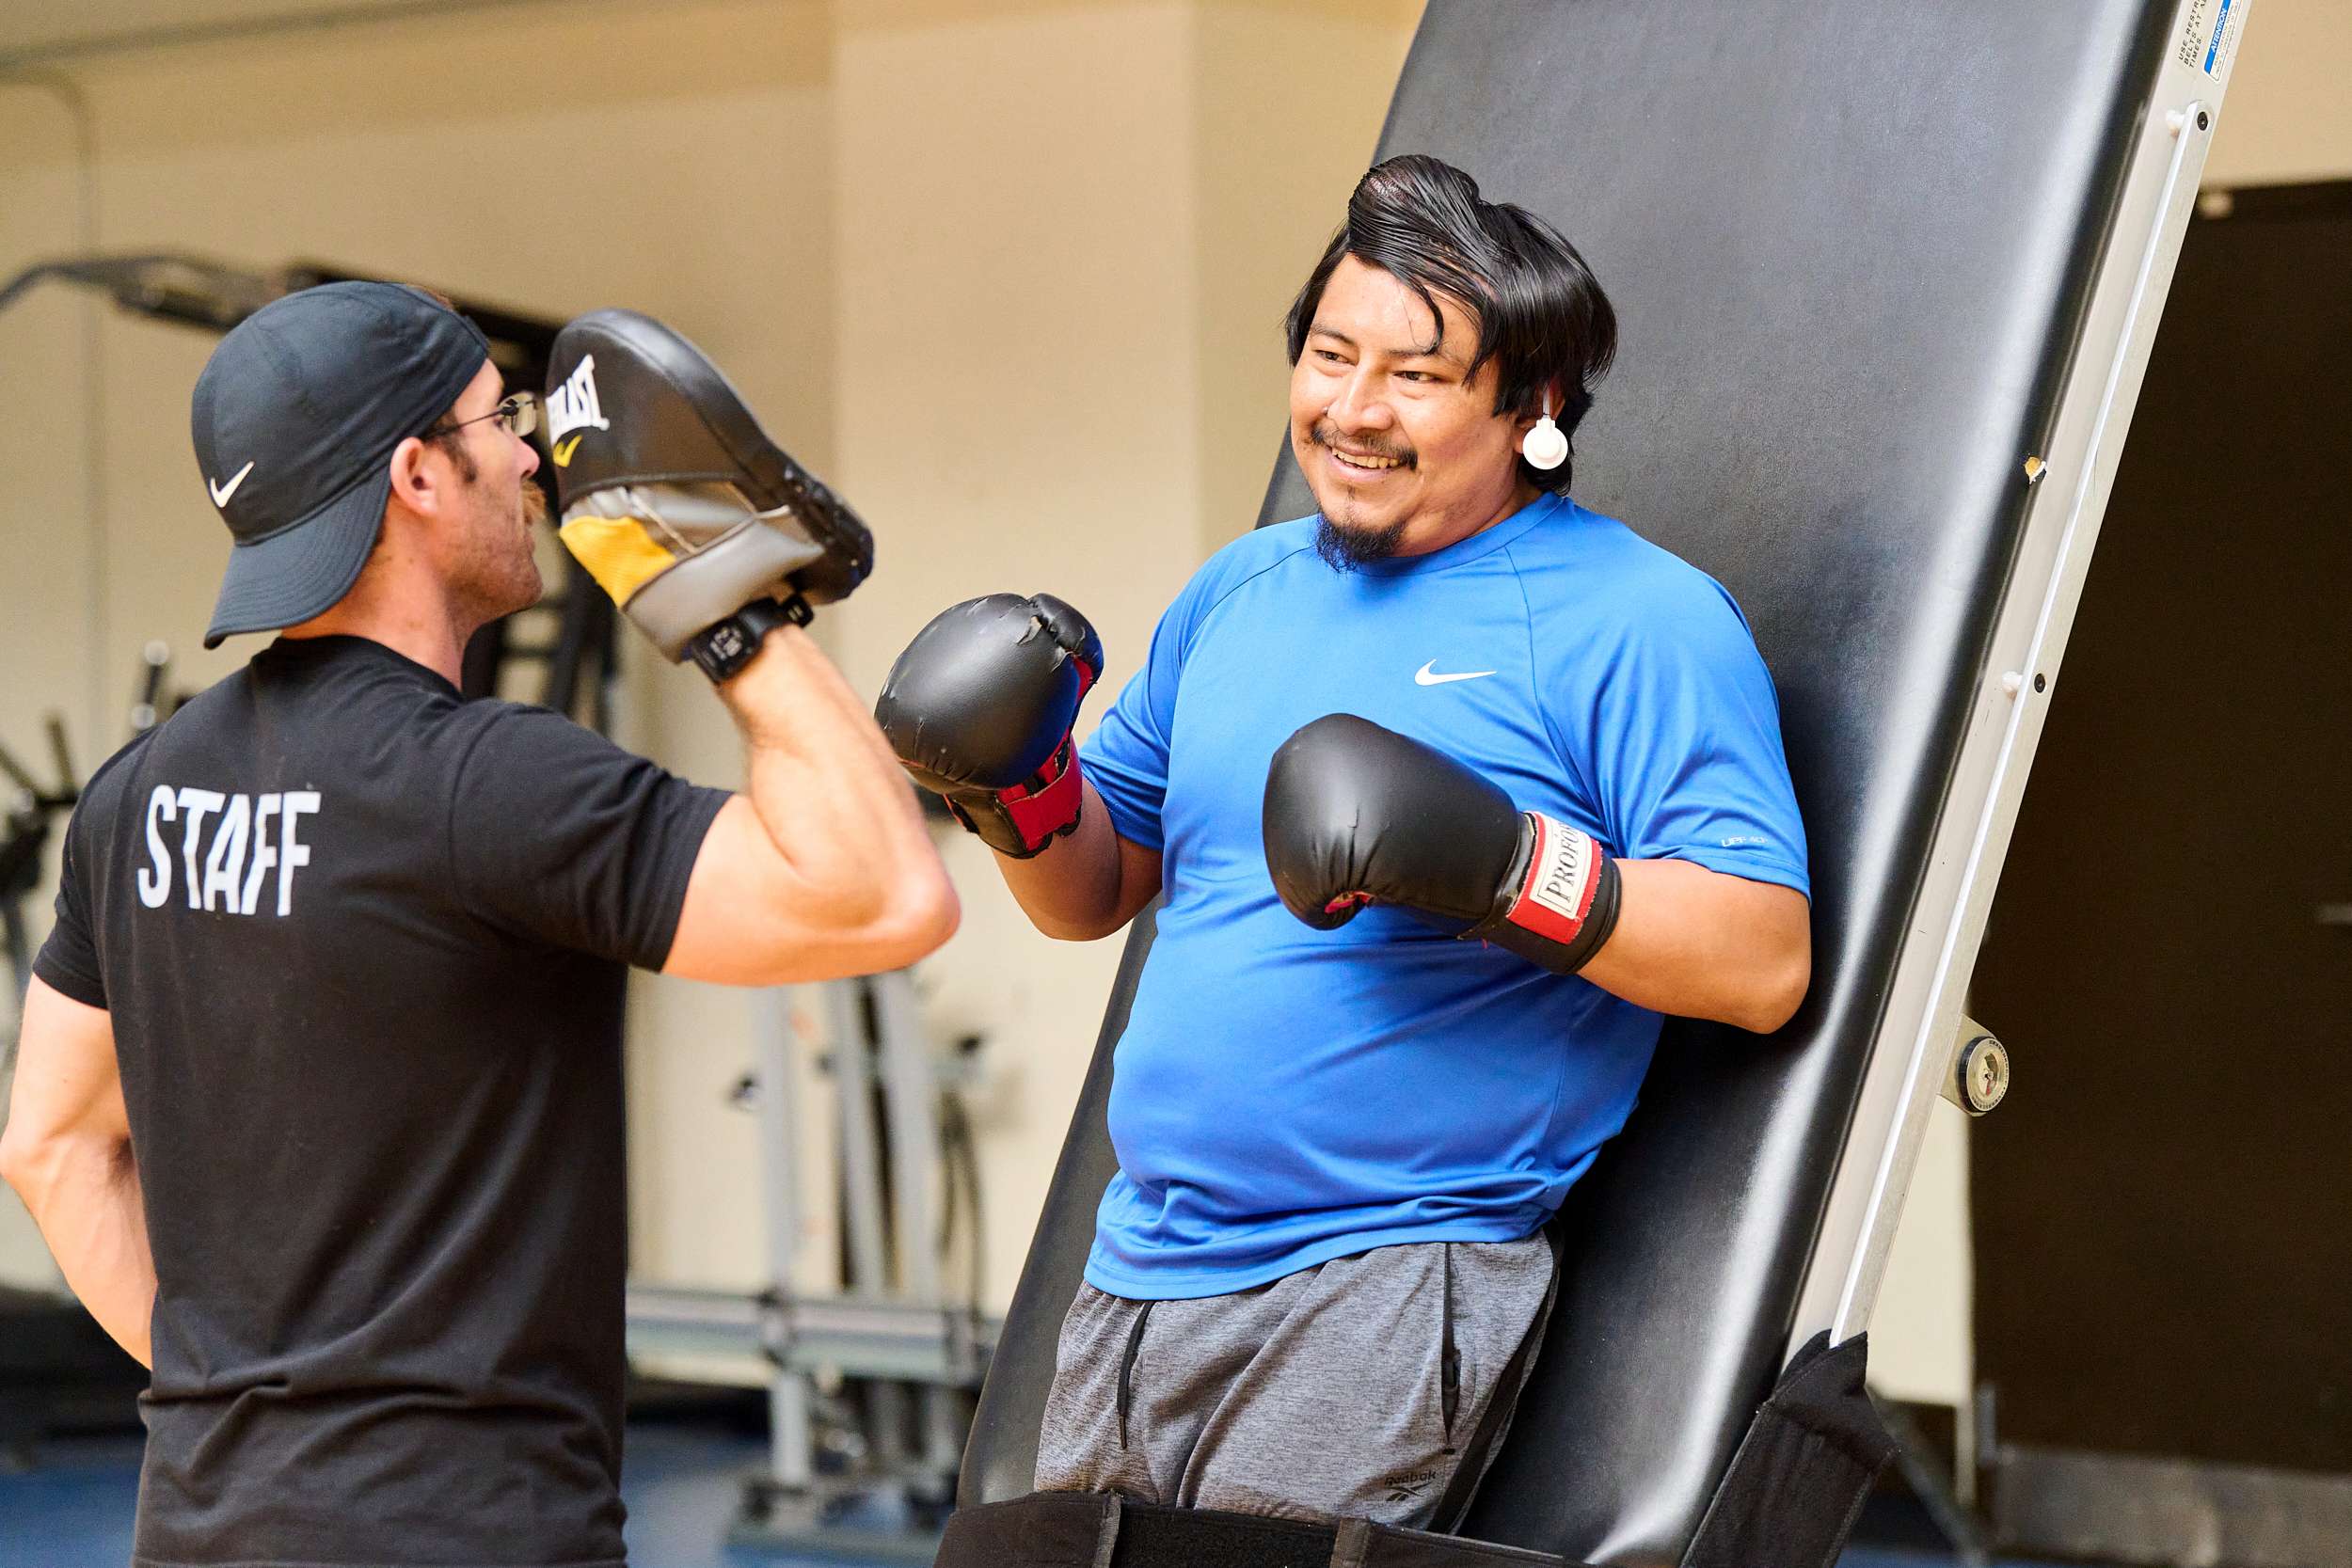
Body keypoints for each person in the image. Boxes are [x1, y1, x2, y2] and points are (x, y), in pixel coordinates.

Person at [876, 155, 1811, 1529]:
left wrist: (1502, 867)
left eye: (1416, 378)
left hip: (1380, 1276)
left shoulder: (1639, 621)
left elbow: (1760, 957)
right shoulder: (1241, 588)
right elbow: (1095, 889)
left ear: (1534, 406)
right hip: (1143, 1260)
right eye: (1328, 356)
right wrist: (1015, 791)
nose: (1351, 412)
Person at [0, 282, 956, 1568]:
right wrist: (728, 608)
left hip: (204, 1529)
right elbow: (887, 893)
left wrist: (259, 1407)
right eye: (496, 419)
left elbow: (48, 1149)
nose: (528, 457)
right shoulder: (489, 782)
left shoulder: (134, 802)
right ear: (417, 475)